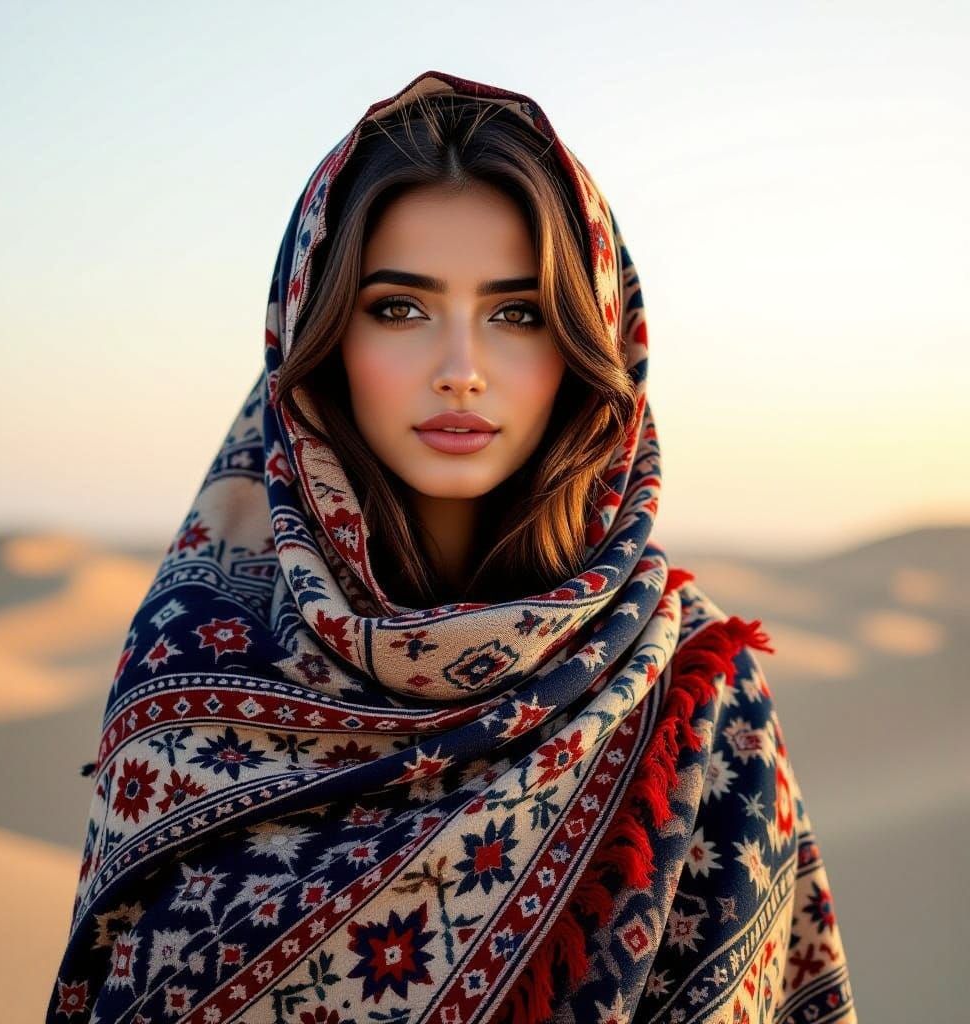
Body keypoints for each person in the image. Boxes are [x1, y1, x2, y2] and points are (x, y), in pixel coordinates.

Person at [47, 71, 857, 1024]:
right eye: (399, 307)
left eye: (517, 314)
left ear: (592, 347)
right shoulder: (190, 671)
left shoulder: (688, 686)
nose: (462, 371)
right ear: (315, 338)